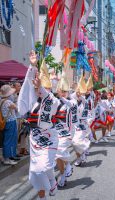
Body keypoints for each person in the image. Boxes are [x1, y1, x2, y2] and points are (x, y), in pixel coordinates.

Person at [18, 53, 59, 199]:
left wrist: (42, 88)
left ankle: (52, 182)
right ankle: (44, 196)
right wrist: (33, 66)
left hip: (49, 137)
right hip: (35, 137)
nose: (38, 90)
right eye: (37, 88)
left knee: (44, 166)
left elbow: (53, 104)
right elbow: (28, 84)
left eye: (43, 88)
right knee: (36, 171)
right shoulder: (32, 101)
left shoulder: (52, 100)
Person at [54, 71, 76, 187]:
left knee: (60, 151)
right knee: (57, 156)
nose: (62, 93)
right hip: (55, 132)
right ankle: (63, 174)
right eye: (61, 91)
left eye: (64, 91)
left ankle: (67, 166)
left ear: (68, 92)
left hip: (67, 132)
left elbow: (68, 104)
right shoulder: (55, 102)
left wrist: (61, 97)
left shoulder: (72, 101)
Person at [71, 75, 91, 167]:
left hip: (82, 125)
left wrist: (89, 121)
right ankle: (80, 156)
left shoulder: (85, 102)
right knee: (74, 144)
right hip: (72, 125)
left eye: (80, 91)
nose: (78, 93)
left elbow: (90, 113)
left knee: (77, 141)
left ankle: (81, 155)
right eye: (77, 91)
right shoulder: (72, 100)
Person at [0, 84, 19, 165]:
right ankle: (7, 158)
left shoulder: (1, 100)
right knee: (9, 140)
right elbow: (17, 108)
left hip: (6, 122)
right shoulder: (8, 102)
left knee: (6, 140)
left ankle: (5, 158)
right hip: (11, 122)